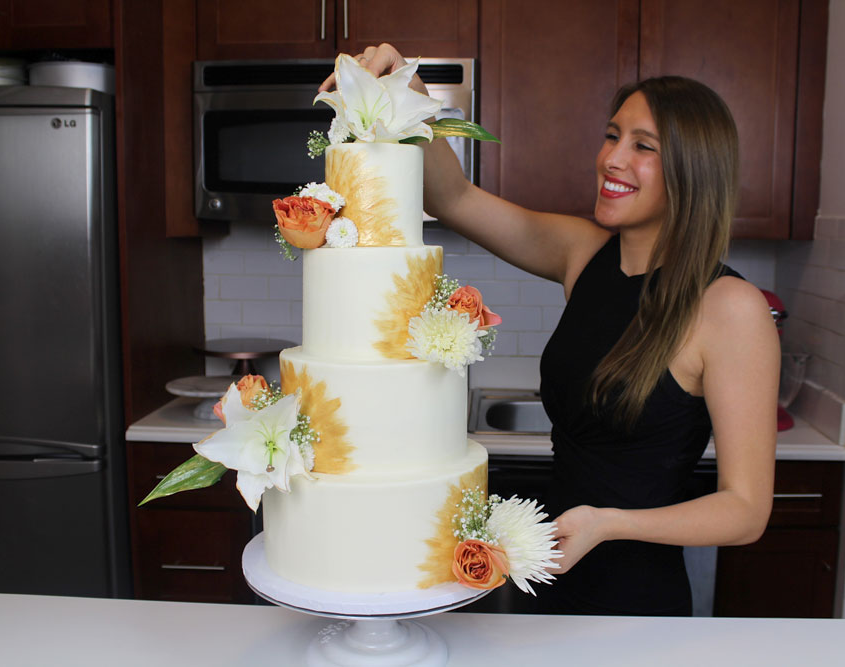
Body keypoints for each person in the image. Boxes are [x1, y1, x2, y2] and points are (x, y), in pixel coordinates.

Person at [320, 44, 779, 616]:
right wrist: (412, 100)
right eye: (612, 136)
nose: (612, 159)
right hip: (545, 575)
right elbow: (454, 197)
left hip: (634, 600)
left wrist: (609, 524)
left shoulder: (730, 307)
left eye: (643, 147)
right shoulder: (583, 253)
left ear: (694, 170)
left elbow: (745, 509)